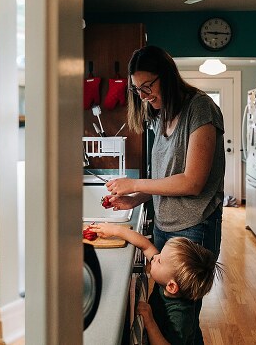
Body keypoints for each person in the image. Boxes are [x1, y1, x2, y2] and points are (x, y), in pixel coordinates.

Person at [103, 45, 225, 344]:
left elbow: (192, 182)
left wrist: (134, 184)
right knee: (163, 314)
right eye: (137, 89)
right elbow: (165, 179)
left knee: (180, 321)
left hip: (194, 227)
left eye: (148, 86)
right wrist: (136, 199)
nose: (143, 96)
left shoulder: (200, 108)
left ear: (167, 76)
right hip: (165, 225)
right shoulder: (160, 115)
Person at [89, 224, 223, 345]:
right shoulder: (168, 280)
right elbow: (145, 245)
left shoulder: (180, 316)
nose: (155, 257)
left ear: (172, 287)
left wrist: (149, 321)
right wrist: (116, 230)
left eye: (159, 261)